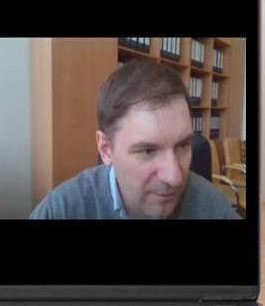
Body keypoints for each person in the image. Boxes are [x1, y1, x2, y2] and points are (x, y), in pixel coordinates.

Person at [30, 59, 240, 219]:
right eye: (148, 151)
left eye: (183, 145)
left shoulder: (213, 208)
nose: (174, 178)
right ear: (106, 149)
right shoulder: (62, 210)